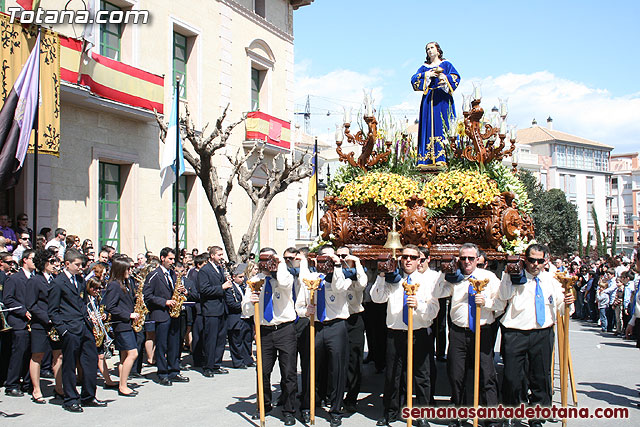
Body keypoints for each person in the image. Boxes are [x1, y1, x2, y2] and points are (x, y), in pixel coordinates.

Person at [498, 244, 574, 427]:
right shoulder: (515, 275)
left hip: (542, 332)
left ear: (545, 261)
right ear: (525, 259)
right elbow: (503, 295)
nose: (535, 265)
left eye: (540, 261)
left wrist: (568, 302)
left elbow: (560, 307)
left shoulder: (552, 279)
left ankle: (537, 416)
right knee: (512, 377)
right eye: (531, 260)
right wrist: (509, 276)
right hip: (516, 331)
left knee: (540, 376)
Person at [433, 243, 504, 427]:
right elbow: (437, 292)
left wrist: (486, 302)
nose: (467, 262)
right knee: (456, 374)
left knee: (486, 374)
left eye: (470, 258)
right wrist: (445, 271)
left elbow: (501, 303)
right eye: (463, 258)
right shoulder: (454, 277)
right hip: (458, 332)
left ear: (478, 259)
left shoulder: (488, 277)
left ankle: (492, 416)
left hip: (482, 330)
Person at [370, 244, 440, 427]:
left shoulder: (428, 281)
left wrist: (419, 305)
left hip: (418, 333)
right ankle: (391, 411)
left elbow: (434, 310)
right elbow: (377, 298)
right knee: (393, 375)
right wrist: (382, 275)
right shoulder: (394, 280)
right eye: (404, 257)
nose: (408, 260)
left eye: (412, 257)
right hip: (396, 333)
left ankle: (422, 413)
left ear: (419, 261)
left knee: (421, 375)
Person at [48, 248, 107, 412]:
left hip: (84, 326)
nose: (81, 267)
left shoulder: (80, 280)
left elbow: (83, 302)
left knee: (90, 361)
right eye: (78, 264)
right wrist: (63, 330)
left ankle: (88, 396)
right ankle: (70, 399)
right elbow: (52, 310)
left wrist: (92, 317)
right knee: (69, 364)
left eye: (82, 264)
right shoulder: (58, 282)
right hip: (70, 329)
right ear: (67, 264)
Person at [243, 247, 297, 426]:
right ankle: (264, 405)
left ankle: (289, 409)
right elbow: (245, 310)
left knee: (288, 372)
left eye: (270, 259)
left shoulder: (285, 276)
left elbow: (285, 283)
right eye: (264, 259)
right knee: (263, 371)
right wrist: (251, 302)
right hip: (264, 331)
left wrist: (278, 266)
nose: (267, 263)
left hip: (285, 329)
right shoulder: (254, 281)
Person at [143, 247, 189, 386]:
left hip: (174, 314)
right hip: (161, 314)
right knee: (162, 345)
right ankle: (162, 373)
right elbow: (147, 296)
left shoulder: (173, 274)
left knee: (175, 344)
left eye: (173, 259)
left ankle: (174, 370)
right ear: (162, 258)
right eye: (170, 259)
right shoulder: (154, 275)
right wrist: (165, 302)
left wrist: (183, 291)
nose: (172, 262)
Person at [411, 42, 460, 170]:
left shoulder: (446, 64)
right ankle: (426, 159)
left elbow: (455, 77)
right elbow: (414, 80)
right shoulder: (424, 67)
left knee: (444, 125)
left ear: (438, 50)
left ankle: (445, 156)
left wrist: (444, 77)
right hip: (428, 100)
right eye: (427, 49)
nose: (430, 50)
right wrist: (428, 75)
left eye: (432, 48)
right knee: (428, 126)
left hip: (443, 99)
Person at [25, 248, 63, 403]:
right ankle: (36, 389)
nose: (55, 265)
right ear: (44, 263)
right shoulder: (35, 280)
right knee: (37, 355)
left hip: (55, 323)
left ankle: (59, 388)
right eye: (51, 262)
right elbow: (31, 304)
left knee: (58, 355)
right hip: (41, 324)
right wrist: (47, 318)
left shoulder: (55, 279)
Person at [104, 257, 140, 396]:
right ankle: (123, 386)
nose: (130, 271)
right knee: (133, 353)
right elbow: (110, 306)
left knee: (124, 356)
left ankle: (122, 383)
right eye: (127, 269)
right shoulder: (114, 285)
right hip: (121, 324)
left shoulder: (126, 283)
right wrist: (128, 314)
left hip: (127, 324)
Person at [338, 246, 368, 414]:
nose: (342, 259)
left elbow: (362, 283)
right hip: (339, 320)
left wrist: (355, 263)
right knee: (338, 359)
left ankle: (351, 398)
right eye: (339, 256)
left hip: (355, 319)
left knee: (355, 360)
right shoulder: (336, 273)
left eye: (345, 256)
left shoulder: (357, 273)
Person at [3, 249, 36, 397]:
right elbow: (8, 299)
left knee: (32, 352)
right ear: (25, 260)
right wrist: (23, 311)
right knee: (19, 352)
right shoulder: (14, 278)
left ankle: (28, 383)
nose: (35, 262)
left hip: (33, 321)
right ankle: (12, 384)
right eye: (32, 259)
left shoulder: (35, 278)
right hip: (19, 321)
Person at [197, 246, 231, 377]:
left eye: (222, 254)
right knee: (210, 339)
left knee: (221, 339)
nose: (221, 257)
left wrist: (227, 283)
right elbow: (204, 289)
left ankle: (217, 364)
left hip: (222, 308)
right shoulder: (204, 270)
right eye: (219, 255)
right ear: (212, 256)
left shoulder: (220, 269)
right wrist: (221, 287)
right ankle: (208, 366)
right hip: (211, 309)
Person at [225, 263, 254, 369]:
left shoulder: (244, 287)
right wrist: (245, 304)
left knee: (247, 339)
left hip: (246, 318)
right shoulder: (230, 288)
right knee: (236, 342)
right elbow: (231, 304)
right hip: (236, 318)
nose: (243, 279)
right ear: (234, 277)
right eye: (240, 277)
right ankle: (238, 362)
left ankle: (247, 359)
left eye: (243, 277)